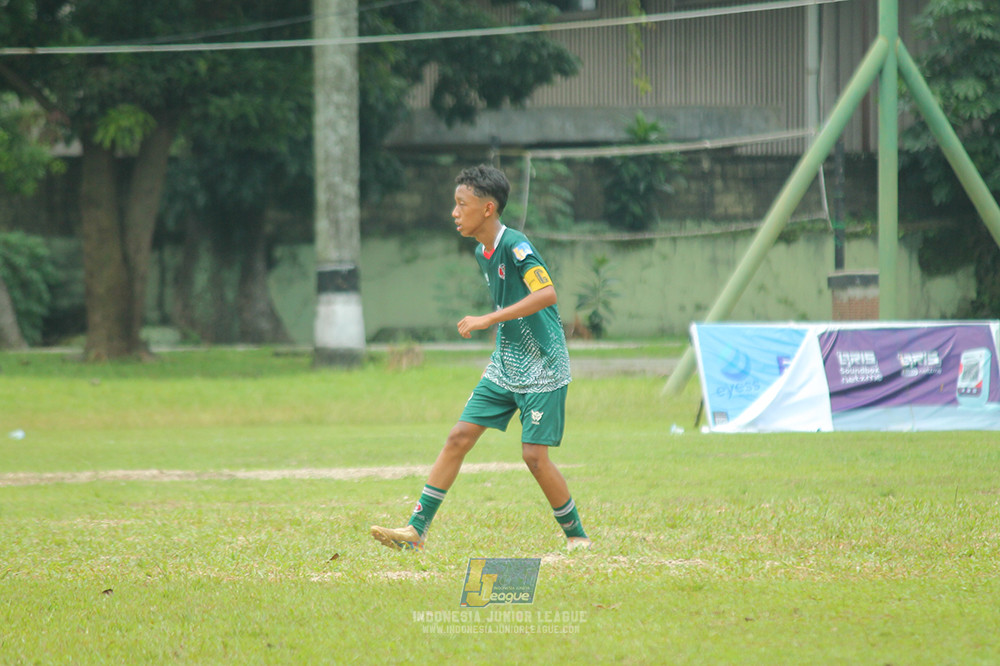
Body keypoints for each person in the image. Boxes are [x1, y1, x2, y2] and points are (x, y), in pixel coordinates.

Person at [371, 164, 591, 552]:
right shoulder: (482, 250)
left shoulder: (516, 245)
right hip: (506, 365)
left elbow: (547, 294)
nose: (454, 212)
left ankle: (578, 538)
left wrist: (489, 317)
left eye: (461, 204)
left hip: (542, 366)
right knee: (458, 437)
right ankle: (416, 531)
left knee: (534, 458)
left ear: (488, 209)